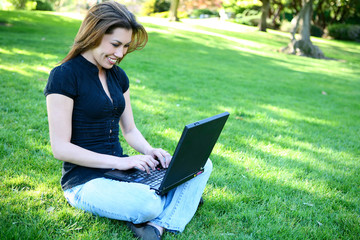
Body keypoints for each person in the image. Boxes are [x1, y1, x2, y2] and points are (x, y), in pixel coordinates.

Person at [44, 2, 212, 240]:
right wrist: (120, 162)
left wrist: (150, 151)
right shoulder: (63, 76)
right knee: (148, 204)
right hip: (85, 182)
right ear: (94, 34)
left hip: (122, 172)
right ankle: (179, 203)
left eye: (125, 46)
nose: (121, 54)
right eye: (115, 44)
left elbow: (130, 129)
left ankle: (158, 225)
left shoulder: (118, 76)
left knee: (203, 163)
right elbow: (60, 148)